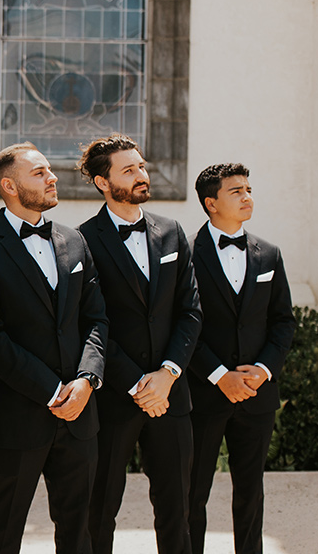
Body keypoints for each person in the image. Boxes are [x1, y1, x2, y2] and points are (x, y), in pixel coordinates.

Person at [0, 142, 107, 554]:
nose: (53, 177)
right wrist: (52, 390)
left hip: (80, 416)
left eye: (49, 171)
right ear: (9, 185)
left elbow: (96, 318)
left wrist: (86, 379)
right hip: (15, 418)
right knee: (2, 534)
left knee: (80, 534)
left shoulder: (75, 240)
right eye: (40, 173)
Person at [77, 134, 202, 554]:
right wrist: (136, 384)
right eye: (128, 170)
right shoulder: (81, 241)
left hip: (171, 397)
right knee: (99, 512)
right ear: (101, 181)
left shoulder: (172, 232)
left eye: (142, 166)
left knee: (177, 510)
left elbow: (190, 311)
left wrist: (167, 375)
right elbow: (90, 323)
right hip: (114, 397)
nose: (141, 175)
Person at [187, 164, 295, 554]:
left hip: (256, 393)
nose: (248, 196)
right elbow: (183, 326)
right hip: (202, 393)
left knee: (251, 490)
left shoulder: (269, 253)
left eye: (249, 189)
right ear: (211, 203)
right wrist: (219, 375)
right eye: (237, 191)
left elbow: (283, 322)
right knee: (191, 491)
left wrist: (263, 371)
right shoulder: (184, 254)